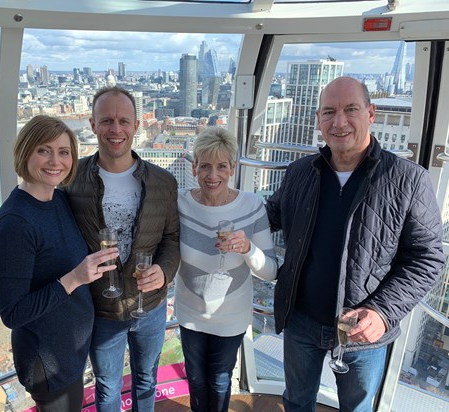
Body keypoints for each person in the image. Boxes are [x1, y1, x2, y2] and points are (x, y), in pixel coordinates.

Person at [266, 76, 444, 411]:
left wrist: (383, 312)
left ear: (371, 113)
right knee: (296, 401)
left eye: (351, 109)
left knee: (357, 408)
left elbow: (427, 258)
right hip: (301, 319)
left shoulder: (408, 179)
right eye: (329, 112)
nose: (339, 122)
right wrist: (211, 202)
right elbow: (267, 216)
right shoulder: (301, 172)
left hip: (363, 330)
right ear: (318, 119)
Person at [0, 115, 119, 412]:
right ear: (25, 152)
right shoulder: (15, 223)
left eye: (64, 152)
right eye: (43, 150)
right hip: (48, 362)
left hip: (68, 353)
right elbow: (13, 313)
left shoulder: (58, 199)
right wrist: (74, 278)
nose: (55, 161)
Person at [65, 86, 180, 411]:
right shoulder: (72, 180)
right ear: (92, 125)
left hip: (151, 306)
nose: (116, 130)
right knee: (107, 387)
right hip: (102, 309)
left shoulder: (163, 181)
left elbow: (172, 238)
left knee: (147, 381)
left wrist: (164, 271)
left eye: (124, 121)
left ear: (136, 125)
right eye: (107, 121)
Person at [176, 126, 278, 412]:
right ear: (194, 167)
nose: (213, 175)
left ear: (232, 167)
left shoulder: (251, 205)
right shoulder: (180, 203)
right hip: (190, 311)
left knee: (220, 382)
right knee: (195, 379)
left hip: (231, 316)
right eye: (205, 166)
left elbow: (270, 271)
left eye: (221, 166)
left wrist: (248, 248)